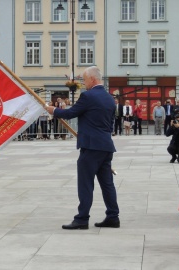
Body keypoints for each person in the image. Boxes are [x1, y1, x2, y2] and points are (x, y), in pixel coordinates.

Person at [45, 66, 120, 230]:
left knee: (86, 183)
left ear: (92, 79)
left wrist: (54, 110)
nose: (84, 83)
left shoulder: (88, 96)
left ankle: (82, 218)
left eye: (85, 80)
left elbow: (71, 113)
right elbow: (110, 123)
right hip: (106, 146)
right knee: (107, 183)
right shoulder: (109, 98)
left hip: (91, 147)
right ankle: (113, 216)